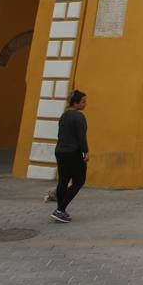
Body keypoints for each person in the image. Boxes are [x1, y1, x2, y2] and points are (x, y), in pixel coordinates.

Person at [52, 90, 89, 222]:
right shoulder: (79, 116)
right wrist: (85, 152)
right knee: (79, 181)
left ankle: (60, 210)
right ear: (76, 103)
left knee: (63, 180)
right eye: (83, 101)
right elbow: (81, 137)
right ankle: (60, 209)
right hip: (73, 152)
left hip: (60, 151)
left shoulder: (64, 115)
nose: (85, 104)